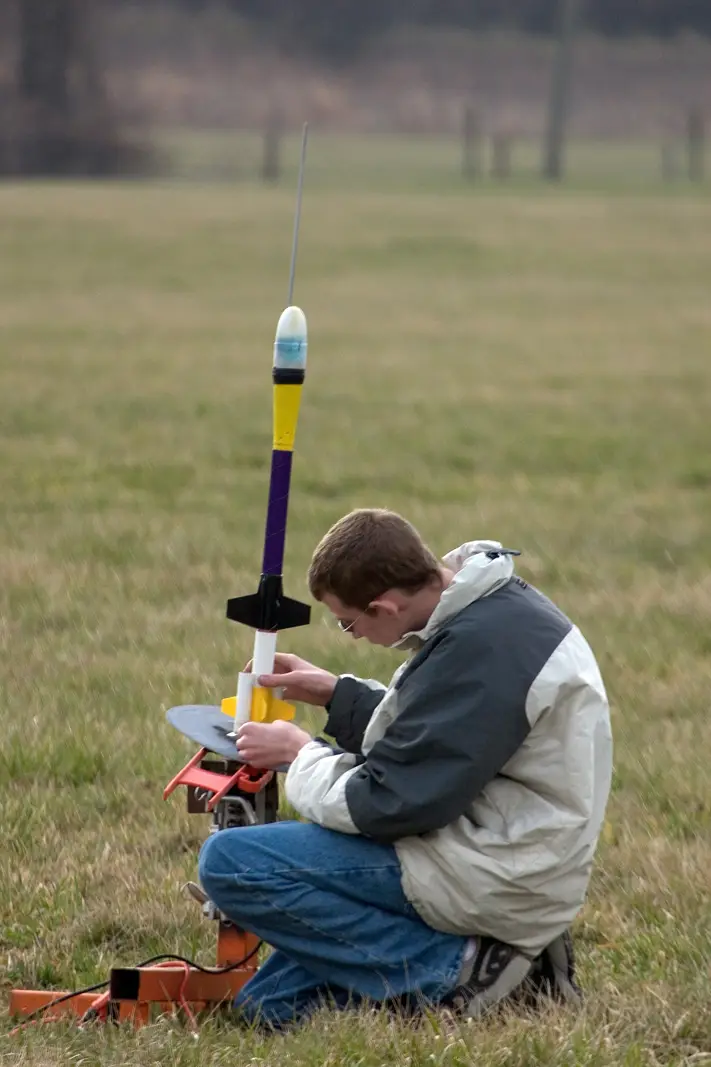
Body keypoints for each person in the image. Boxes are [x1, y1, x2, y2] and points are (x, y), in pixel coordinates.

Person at [198, 509, 613, 1029]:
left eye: (348, 621)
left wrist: (298, 754)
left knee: (230, 863)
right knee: (269, 1007)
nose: (351, 636)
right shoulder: (490, 613)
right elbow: (443, 735)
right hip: (489, 845)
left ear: (384, 606)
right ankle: (489, 959)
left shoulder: (480, 648)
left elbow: (386, 803)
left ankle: (459, 971)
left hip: (497, 870)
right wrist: (338, 695)